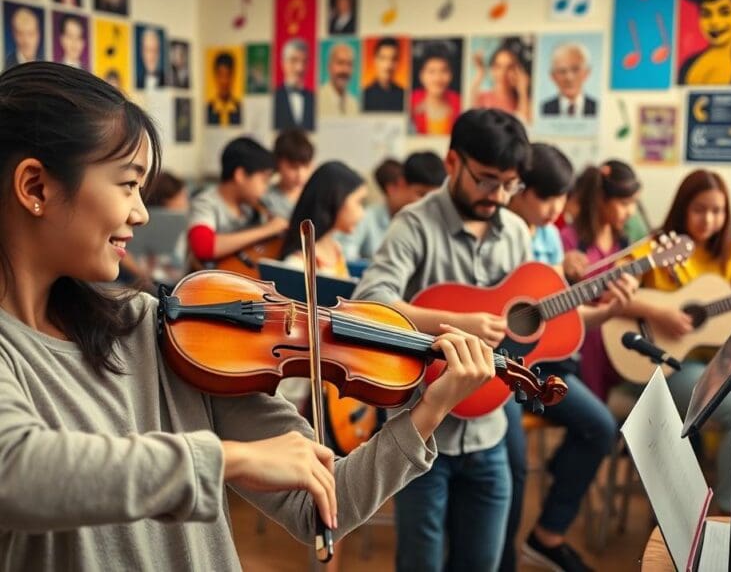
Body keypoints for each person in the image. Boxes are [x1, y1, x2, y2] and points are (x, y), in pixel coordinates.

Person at [0, 61, 498, 570]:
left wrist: (428, 411)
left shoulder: (167, 331)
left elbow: (321, 505)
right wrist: (230, 459)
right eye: (127, 185)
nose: (141, 213)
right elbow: (17, 473)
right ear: (36, 187)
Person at [352, 108, 532, 572]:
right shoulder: (413, 224)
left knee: (482, 564)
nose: (498, 195)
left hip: (489, 432)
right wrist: (456, 322)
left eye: (510, 184)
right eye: (487, 180)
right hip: (421, 433)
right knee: (420, 564)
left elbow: (523, 313)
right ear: (453, 162)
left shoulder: (514, 231)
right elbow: (370, 301)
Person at [502, 145, 636, 572]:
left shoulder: (546, 237)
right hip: (505, 365)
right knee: (514, 465)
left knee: (599, 426)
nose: (556, 209)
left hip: (548, 363)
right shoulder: (501, 231)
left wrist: (611, 309)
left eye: (562, 199)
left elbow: (557, 315)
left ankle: (548, 535)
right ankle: (507, 554)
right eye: (547, 198)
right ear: (518, 190)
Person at [620, 170, 731, 514]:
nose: (709, 219)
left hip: (715, 363)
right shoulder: (657, 249)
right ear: (682, 208)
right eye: (700, 209)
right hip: (661, 364)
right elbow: (611, 296)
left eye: (717, 211)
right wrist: (657, 313)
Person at [559, 160, 642, 399]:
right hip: (583, 337)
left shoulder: (624, 242)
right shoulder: (568, 240)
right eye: (625, 203)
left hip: (617, 333)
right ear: (600, 200)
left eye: (634, 203)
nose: (632, 212)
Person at [187, 137, 288, 267]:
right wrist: (268, 229)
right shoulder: (206, 203)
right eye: (264, 180)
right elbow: (204, 247)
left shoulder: (250, 206)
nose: (266, 187)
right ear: (240, 175)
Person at [339, 152, 446, 262]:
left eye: (435, 198)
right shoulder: (366, 219)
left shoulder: (432, 224)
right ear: (400, 184)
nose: (428, 203)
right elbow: (345, 257)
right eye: (421, 194)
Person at [471, 39, 532, 123]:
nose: (503, 73)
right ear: (492, 69)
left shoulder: (523, 101)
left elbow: (525, 125)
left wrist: (523, 92)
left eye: (510, 67)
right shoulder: (482, 99)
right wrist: (480, 74)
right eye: (498, 66)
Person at [261, 128, 314, 221]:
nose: (300, 174)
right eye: (293, 167)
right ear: (278, 163)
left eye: (306, 166)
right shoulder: (266, 198)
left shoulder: (317, 196)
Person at [410, 42, 461, 135]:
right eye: (431, 71)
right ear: (421, 75)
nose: (438, 78)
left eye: (444, 71)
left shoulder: (459, 102)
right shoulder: (410, 102)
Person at [541, 43, 597, 118]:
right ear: (552, 76)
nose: (569, 78)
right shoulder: (543, 109)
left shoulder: (597, 107)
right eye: (562, 71)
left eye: (575, 69)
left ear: (587, 73)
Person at [274, 38, 315, 130]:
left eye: (304, 61)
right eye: (293, 60)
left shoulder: (314, 99)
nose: (299, 68)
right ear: (283, 62)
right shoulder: (273, 98)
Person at [363, 37, 406, 112]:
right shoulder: (364, 95)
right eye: (383, 58)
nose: (388, 65)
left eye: (393, 59)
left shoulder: (404, 95)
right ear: (375, 60)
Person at [318, 42, 359, 116]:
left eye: (349, 64)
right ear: (329, 67)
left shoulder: (355, 104)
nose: (345, 70)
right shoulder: (316, 99)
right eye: (340, 63)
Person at [206, 51, 241, 126]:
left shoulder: (241, 110)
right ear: (215, 77)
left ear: (233, 77)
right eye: (220, 75)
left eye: (228, 75)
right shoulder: (207, 110)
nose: (224, 81)